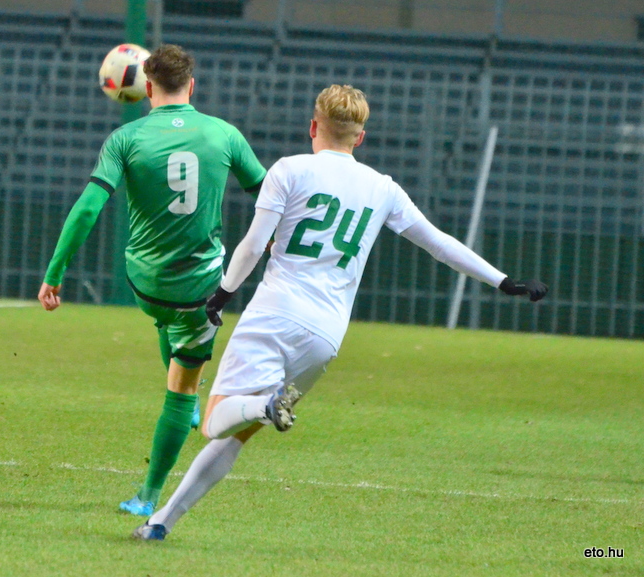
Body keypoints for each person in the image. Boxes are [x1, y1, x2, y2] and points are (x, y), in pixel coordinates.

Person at [132, 84, 548, 540]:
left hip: (275, 313)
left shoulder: (289, 170)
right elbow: (438, 243)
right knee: (239, 433)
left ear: (314, 126)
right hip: (325, 336)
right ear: (360, 137)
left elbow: (254, 244)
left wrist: (222, 295)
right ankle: (160, 524)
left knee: (216, 420)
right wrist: (503, 280)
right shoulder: (382, 187)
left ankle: (262, 405)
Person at [38, 44, 267, 518]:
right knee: (183, 390)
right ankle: (148, 496)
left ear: (146, 87)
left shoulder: (125, 138)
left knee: (175, 342)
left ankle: (182, 402)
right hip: (199, 290)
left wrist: (54, 274)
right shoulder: (224, 135)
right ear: (192, 85)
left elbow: (87, 208)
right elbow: (269, 199)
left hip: (145, 285)